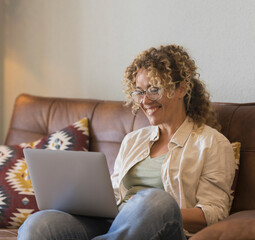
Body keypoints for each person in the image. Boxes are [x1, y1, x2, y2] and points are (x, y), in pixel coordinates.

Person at [18, 44, 236, 239]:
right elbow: (113, 193)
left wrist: (152, 209)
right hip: (114, 224)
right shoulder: (134, 140)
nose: (144, 100)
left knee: (156, 201)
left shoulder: (211, 143)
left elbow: (214, 213)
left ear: (181, 88)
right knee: (39, 225)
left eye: (154, 89)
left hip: (163, 228)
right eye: (139, 92)